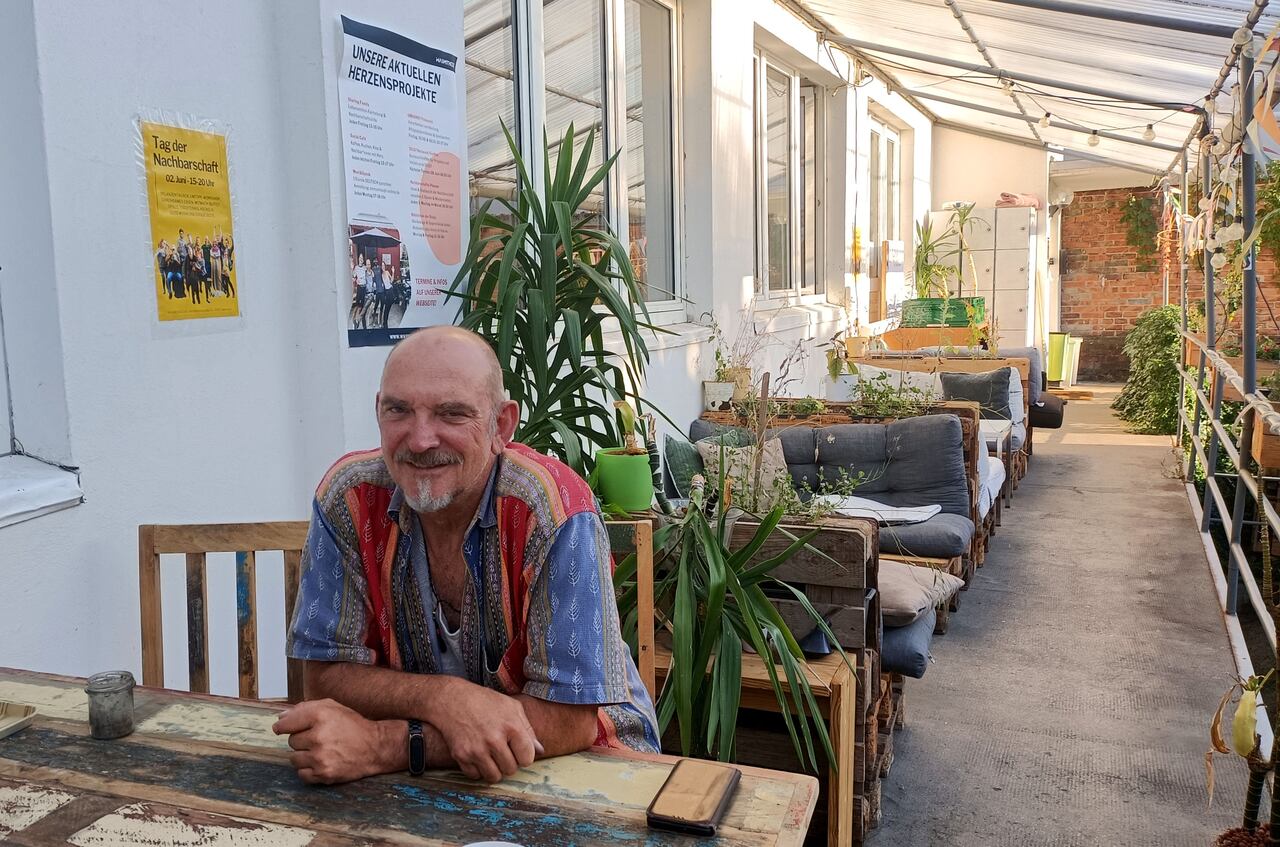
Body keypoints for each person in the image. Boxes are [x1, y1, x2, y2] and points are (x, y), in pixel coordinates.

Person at [275, 326, 659, 786]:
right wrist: (447, 700)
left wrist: (390, 744)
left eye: (451, 414)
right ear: (378, 411)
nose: (419, 440)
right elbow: (322, 676)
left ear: (501, 426)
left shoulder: (552, 509)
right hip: (428, 781)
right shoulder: (348, 499)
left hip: (594, 764)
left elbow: (570, 718)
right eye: (399, 410)